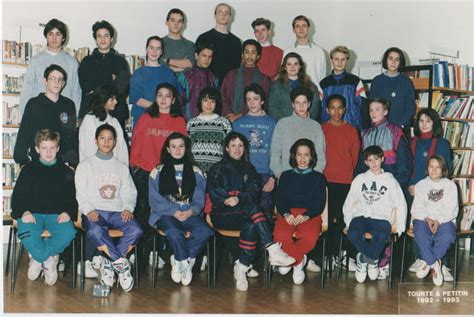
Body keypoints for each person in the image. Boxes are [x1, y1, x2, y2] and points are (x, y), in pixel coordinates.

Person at [207, 132, 296, 291]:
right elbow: (215, 194)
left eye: (240, 145)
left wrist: (238, 198)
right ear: (227, 148)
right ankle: (273, 249)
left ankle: (242, 266)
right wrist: (236, 198)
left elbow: (254, 192)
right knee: (254, 210)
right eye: (233, 145)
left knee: (252, 224)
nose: (237, 149)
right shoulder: (216, 169)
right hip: (222, 214)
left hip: (244, 214)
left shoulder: (249, 168)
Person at [75, 124, 143, 292]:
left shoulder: (121, 167)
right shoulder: (85, 166)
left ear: (115, 142)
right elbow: (81, 194)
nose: (106, 142)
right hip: (95, 211)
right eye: (102, 138)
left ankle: (110, 262)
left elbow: (129, 192)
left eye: (110, 139)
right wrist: (89, 210)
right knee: (96, 232)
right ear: (95, 141)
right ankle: (121, 265)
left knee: (136, 230)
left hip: (117, 212)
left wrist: (128, 208)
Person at [130, 83, 187, 267]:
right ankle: (139, 257)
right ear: (155, 98)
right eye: (160, 95)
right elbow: (136, 145)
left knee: (164, 215)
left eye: (167, 95)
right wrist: (136, 167)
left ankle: (159, 252)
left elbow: (181, 150)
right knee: (142, 216)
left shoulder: (179, 121)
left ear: (173, 99)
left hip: (167, 174)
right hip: (145, 174)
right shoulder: (146, 118)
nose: (163, 99)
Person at [11, 129, 77, 286]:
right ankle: (48, 260)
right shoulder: (28, 170)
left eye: (52, 148)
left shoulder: (66, 171)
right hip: (32, 214)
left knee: (68, 232)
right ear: (37, 149)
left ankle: (39, 258)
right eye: (44, 148)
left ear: (58, 148)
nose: (48, 152)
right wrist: (24, 211)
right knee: (26, 231)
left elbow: (71, 197)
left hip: (56, 215)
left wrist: (67, 212)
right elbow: (18, 196)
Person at [148, 132, 213, 285]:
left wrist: (190, 211)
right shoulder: (157, 171)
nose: (177, 150)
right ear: (168, 149)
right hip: (166, 215)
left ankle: (180, 260)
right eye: (174, 146)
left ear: (186, 148)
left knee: (205, 231)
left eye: (181, 146)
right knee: (175, 233)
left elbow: (199, 199)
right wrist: (174, 211)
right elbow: (154, 200)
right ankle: (184, 261)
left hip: (189, 214)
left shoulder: (196, 171)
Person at [358, 98, 412, 278]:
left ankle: (383, 263)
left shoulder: (396, 131)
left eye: (378, 109)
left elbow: (404, 164)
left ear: (386, 111)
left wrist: (396, 188)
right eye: (371, 109)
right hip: (369, 189)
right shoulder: (365, 133)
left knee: (385, 224)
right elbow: (360, 165)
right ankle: (368, 260)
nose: (373, 113)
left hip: (389, 188)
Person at [343, 145, 407, 284]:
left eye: (376, 159)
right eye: (370, 160)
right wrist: (348, 221)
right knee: (352, 233)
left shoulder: (390, 180)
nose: (373, 163)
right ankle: (372, 258)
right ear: (365, 162)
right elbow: (349, 201)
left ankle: (363, 259)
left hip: (381, 217)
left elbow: (401, 203)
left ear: (382, 159)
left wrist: (400, 226)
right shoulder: (360, 179)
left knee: (382, 234)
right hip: (361, 216)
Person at [407, 109, 453, 279]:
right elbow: (408, 166)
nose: (424, 124)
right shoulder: (412, 141)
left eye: (428, 120)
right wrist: (411, 185)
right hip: (414, 188)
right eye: (421, 120)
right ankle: (420, 257)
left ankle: (441, 261)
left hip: (436, 188)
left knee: (442, 223)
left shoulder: (442, 143)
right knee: (418, 220)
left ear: (434, 123)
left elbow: (446, 168)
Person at [274, 139, 327, 284]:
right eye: (299, 155)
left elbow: (319, 202)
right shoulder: (285, 176)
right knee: (280, 234)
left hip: (310, 214)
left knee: (309, 236)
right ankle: (298, 261)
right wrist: (286, 214)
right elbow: (280, 199)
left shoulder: (319, 178)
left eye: (306, 155)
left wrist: (306, 215)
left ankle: (290, 261)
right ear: (294, 156)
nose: (303, 159)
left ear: (312, 157)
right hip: (288, 213)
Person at [321, 94, 360, 267]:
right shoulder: (321, 129)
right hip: (326, 181)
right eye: (332, 108)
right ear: (327, 110)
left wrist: (347, 174)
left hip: (345, 181)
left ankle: (344, 255)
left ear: (345, 109)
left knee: (344, 219)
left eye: (340, 108)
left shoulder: (352, 130)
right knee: (327, 220)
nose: (336, 112)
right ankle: (328, 255)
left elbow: (355, 157)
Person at [14, 64, 78, 167]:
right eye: (52, 78)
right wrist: (22, 160)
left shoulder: (68, 105)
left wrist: (73, 163)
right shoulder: (34, 104)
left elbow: (72, 136)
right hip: (37, 161)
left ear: (63, 83)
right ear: (45, 81)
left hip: (61, 162)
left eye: (60, 79)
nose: (56, 82)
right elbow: (24, 133)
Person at [411, 155, 458, 286]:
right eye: (431, 166)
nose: (434, 170)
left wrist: (438, 221)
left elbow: (451, 208)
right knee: (420, 233)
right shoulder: (421, 185)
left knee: (448, 235)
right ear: (427, 168)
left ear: (443, 169)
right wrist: (427, 218)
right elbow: (418, 206)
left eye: (438, 167)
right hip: (423, 218)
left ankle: (428, 261)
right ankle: (435, 264)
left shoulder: (450, 185)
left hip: (444, 219)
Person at [20, 18, 81, 115]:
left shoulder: (72, 62)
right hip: (39, 112)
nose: (54, 38)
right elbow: (27, 90)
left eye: (58, 34)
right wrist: (23, 116)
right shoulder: (35, 61)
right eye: (50, 34)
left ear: (64, 38)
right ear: (46, 37)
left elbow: (76, 92)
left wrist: (75, 117)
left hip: (63, 114)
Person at [233, 83, 277, 220]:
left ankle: (266, 242)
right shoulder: (238, 124)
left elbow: (277, 152)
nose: (252, 103)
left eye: (255, 99)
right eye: (248, 99)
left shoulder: (273, 123)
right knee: (246, 215)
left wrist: (272, 177)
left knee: (265, 215)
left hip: (265, 173)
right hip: (245, 173)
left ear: (262, 100)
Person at [78, 20, 131, 128]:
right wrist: (110, 78)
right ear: (95, 40)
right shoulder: (87, 61)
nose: (103, 39)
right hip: (91, 111)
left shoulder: (120, 62)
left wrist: (98, 82)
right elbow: (86, 87)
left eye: (106, 36)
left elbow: (122, 90)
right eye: (99, 36)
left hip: (115, 112)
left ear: (111, 39)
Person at [270, 86, 326, 179]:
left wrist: (313, 176)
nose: (301, 106)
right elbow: (275, 154)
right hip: (286, 178)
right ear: (292, 104)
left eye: (304, 102)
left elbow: (320, 157)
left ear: (309, 104)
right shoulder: (282, 124)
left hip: (309, 180)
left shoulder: (316, 127)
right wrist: (280, 175)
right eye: (297, 103)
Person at [129, 36, 177, 127]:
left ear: (161, 51)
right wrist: (157, 108)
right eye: (151, 48)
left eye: (158, 49)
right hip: (142, 120)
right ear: (146, 49)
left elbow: (172, 97)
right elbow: (136, 98)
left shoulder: (169, 73)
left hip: (163, 120)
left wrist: (161, 111)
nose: (154, 52)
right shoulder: (138, 73)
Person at [220, 39, 271, 122]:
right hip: (230, 119)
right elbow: (223, 97)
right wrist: (229, 115)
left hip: (254, 120)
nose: (250, 56)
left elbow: (263, 103)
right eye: (247, 52)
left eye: (253, 53)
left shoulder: (264, 80)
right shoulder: (231, 75)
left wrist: (239, 116)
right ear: (242, 55)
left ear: (258, 56)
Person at [79, 84, 129, 165]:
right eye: (112, 99)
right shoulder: (89, 120)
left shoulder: (114, 121)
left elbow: (122, 150)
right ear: (103, 99)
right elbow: (87, 149)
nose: (116, 102)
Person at [187, 87, 232, 175]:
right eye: (206, 100)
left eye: (212, 101)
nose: (209, 104)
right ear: (200, 101)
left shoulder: (224, 122)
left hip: (217, 171)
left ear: (216, 104)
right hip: (196, 171)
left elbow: (229, 147)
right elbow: (187, 148)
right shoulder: (191, 123)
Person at [320, 46, 367, 129]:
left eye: (343, 59)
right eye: (336, 59)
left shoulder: (355, 81)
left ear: (347, 61)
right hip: (329, 128)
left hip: (351, 127)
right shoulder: (324, 83)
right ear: (331, 60)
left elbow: (363, 107)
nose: (339, 62)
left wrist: (363, 129)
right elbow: (320, 108)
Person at [369, 47, 415, 130]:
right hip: (381, 128)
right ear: (385, 60)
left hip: (401, 127)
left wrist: (402, 124)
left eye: (397, 59)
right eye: (390, 58)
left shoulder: (406, 81)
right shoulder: (377, 81)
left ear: (400, 62)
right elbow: (373, 105)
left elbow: (410, 106)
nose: (393, 62)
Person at [195, 3, 241, 83]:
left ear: (230, 17)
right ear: (215, 15)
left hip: (228, 85)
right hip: (207, 84)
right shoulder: (204, 37)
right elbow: (197, 64)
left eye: (226, 13)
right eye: (220, 12)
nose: (223, 15)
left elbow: (237, 67)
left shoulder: (236, 41)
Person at [268, 52, 321, 120]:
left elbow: (314, 108)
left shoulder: (310, 86)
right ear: (284, 67)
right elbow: (272, 108)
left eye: (296, 64)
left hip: (305, 126)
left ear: (300, 66)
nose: (292, 67)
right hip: (284, 125)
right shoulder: (276, 86)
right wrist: (288, 122)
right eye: (289, 64)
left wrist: (305, 121)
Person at [177, 42, 219, 120]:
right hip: (188, 122)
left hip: (209, 122)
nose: (207, 59)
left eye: (210, 57)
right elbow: (178, 102)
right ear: (196, 55)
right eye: (204, 56)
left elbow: (216, 103)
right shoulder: (185, 76)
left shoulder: (214, 78)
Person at [283, 15, 326, 87]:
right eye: (297, 26)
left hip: (314, 92)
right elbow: (284, 75)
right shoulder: (288, 51)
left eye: (304, 26)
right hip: (293, 92)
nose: (301, 29)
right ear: (293, 30)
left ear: (308, 28)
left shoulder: (319, 51)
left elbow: (322, 77)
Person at [160, 8, 195, 73]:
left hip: (183, 82)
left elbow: (190, 65)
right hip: (163, 81)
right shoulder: (159, 43)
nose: (176, 24)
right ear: (166, 22)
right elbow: (159, 65)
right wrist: (181, 66)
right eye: (173, 20)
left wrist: (167, 61)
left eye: (179, 21)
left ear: (183, 25)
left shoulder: (190, 45)